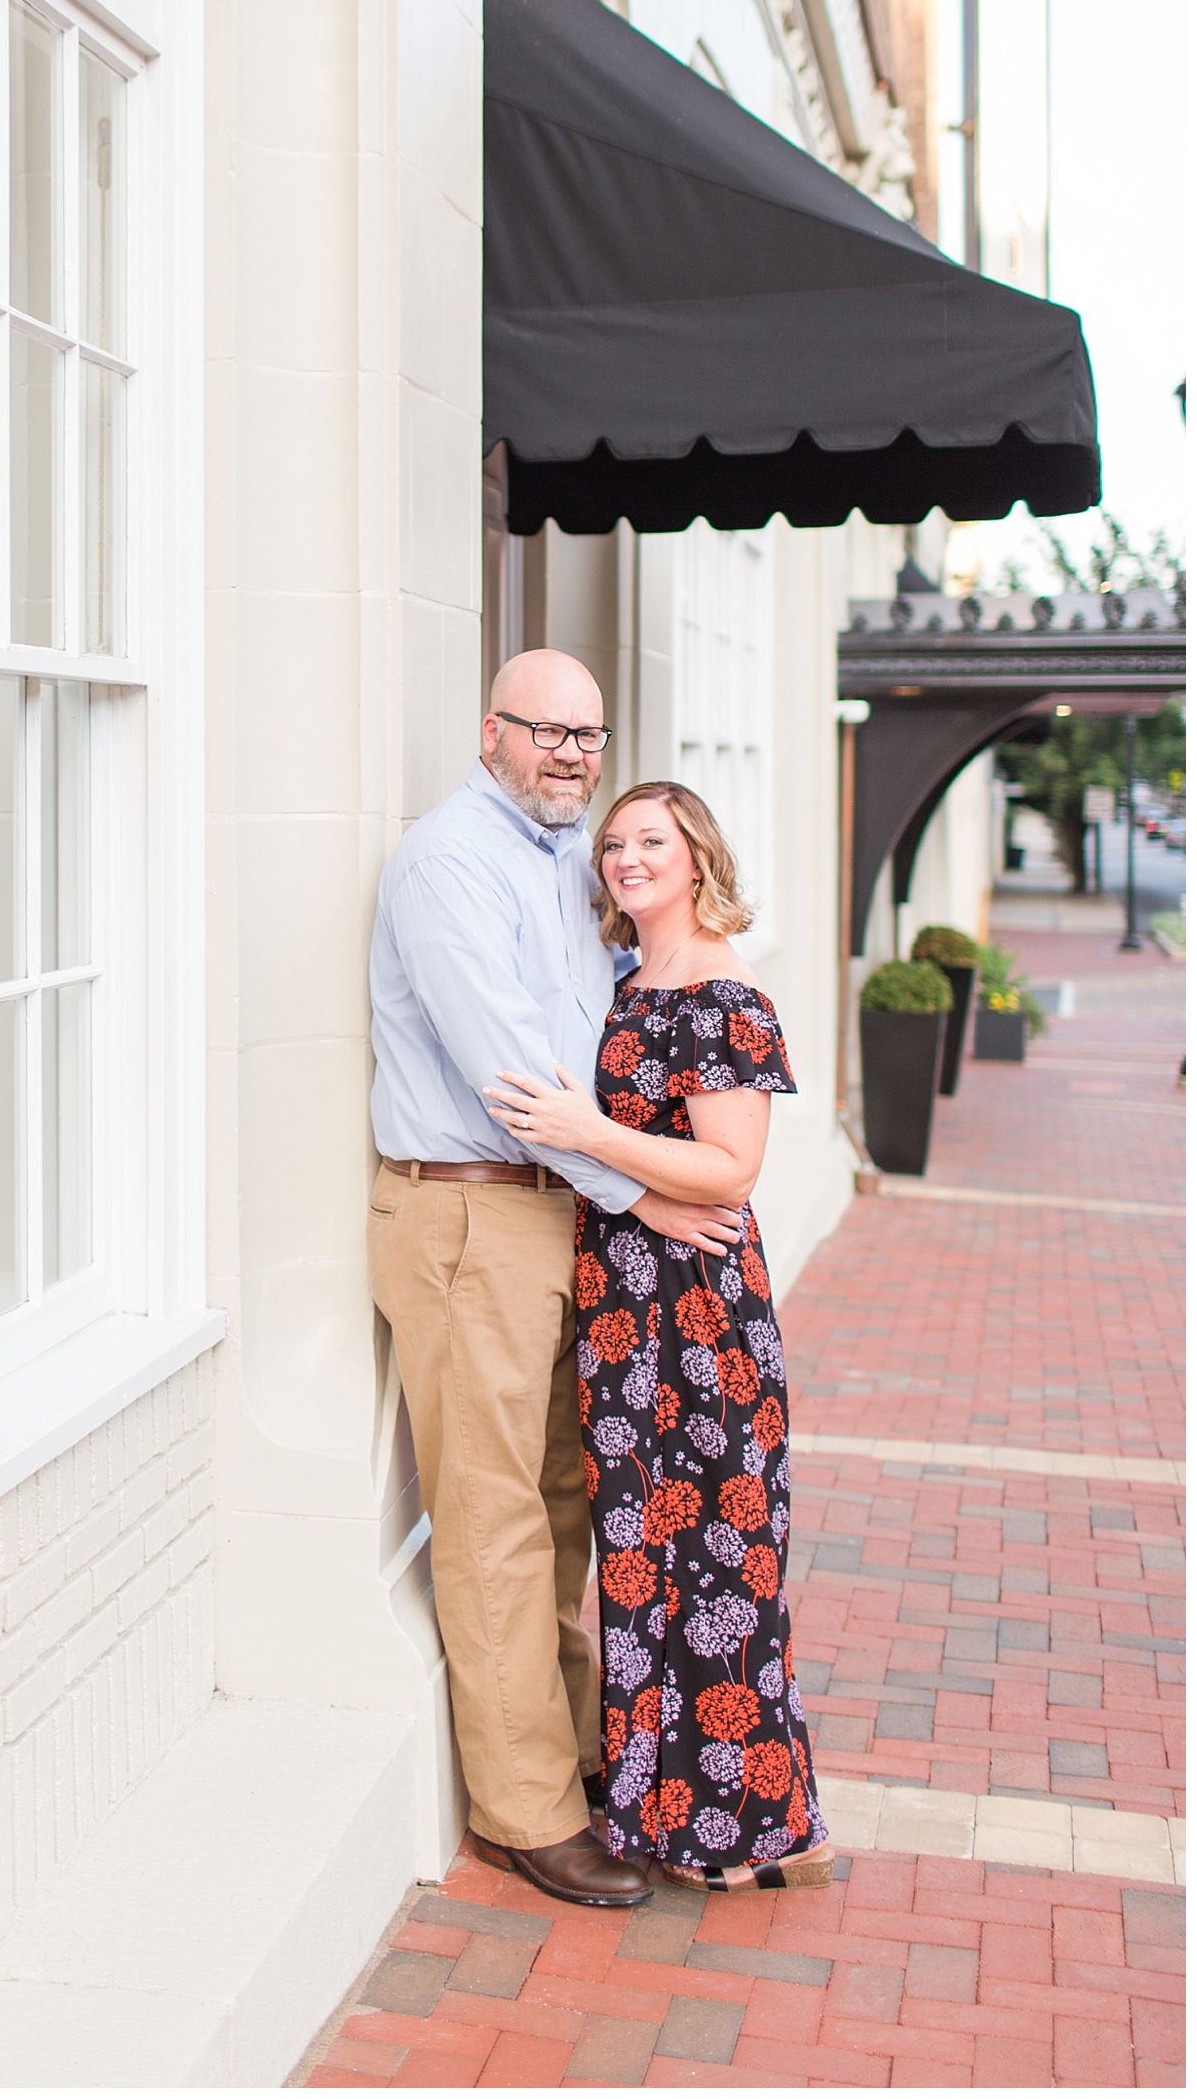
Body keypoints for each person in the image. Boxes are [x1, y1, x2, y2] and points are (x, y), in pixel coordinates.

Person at [368, 657, 749, 1911]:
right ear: (492, 733)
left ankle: (585, 1754)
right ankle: (526, 1810)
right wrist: (648, 1194)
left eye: (589, 734)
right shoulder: (447, 862)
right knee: (492, 1517)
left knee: (571, 1495)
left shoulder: (574, 860)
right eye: (548, 732)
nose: (574, 754)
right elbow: (512, 1072)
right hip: (472, 1211)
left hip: (567, 1215)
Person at [487, 779, 833, 1892]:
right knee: (642, 1564)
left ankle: (746, 1825)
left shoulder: (726, 992)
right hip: (623, 1308)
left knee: (722, 1562)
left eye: (652, 841)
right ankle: (654, 1807)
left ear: (696, 859)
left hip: (701, 1321)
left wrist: (591, 1135)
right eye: (616, 843)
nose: (627, 858)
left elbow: (732, 1166)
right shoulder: (625, 981)